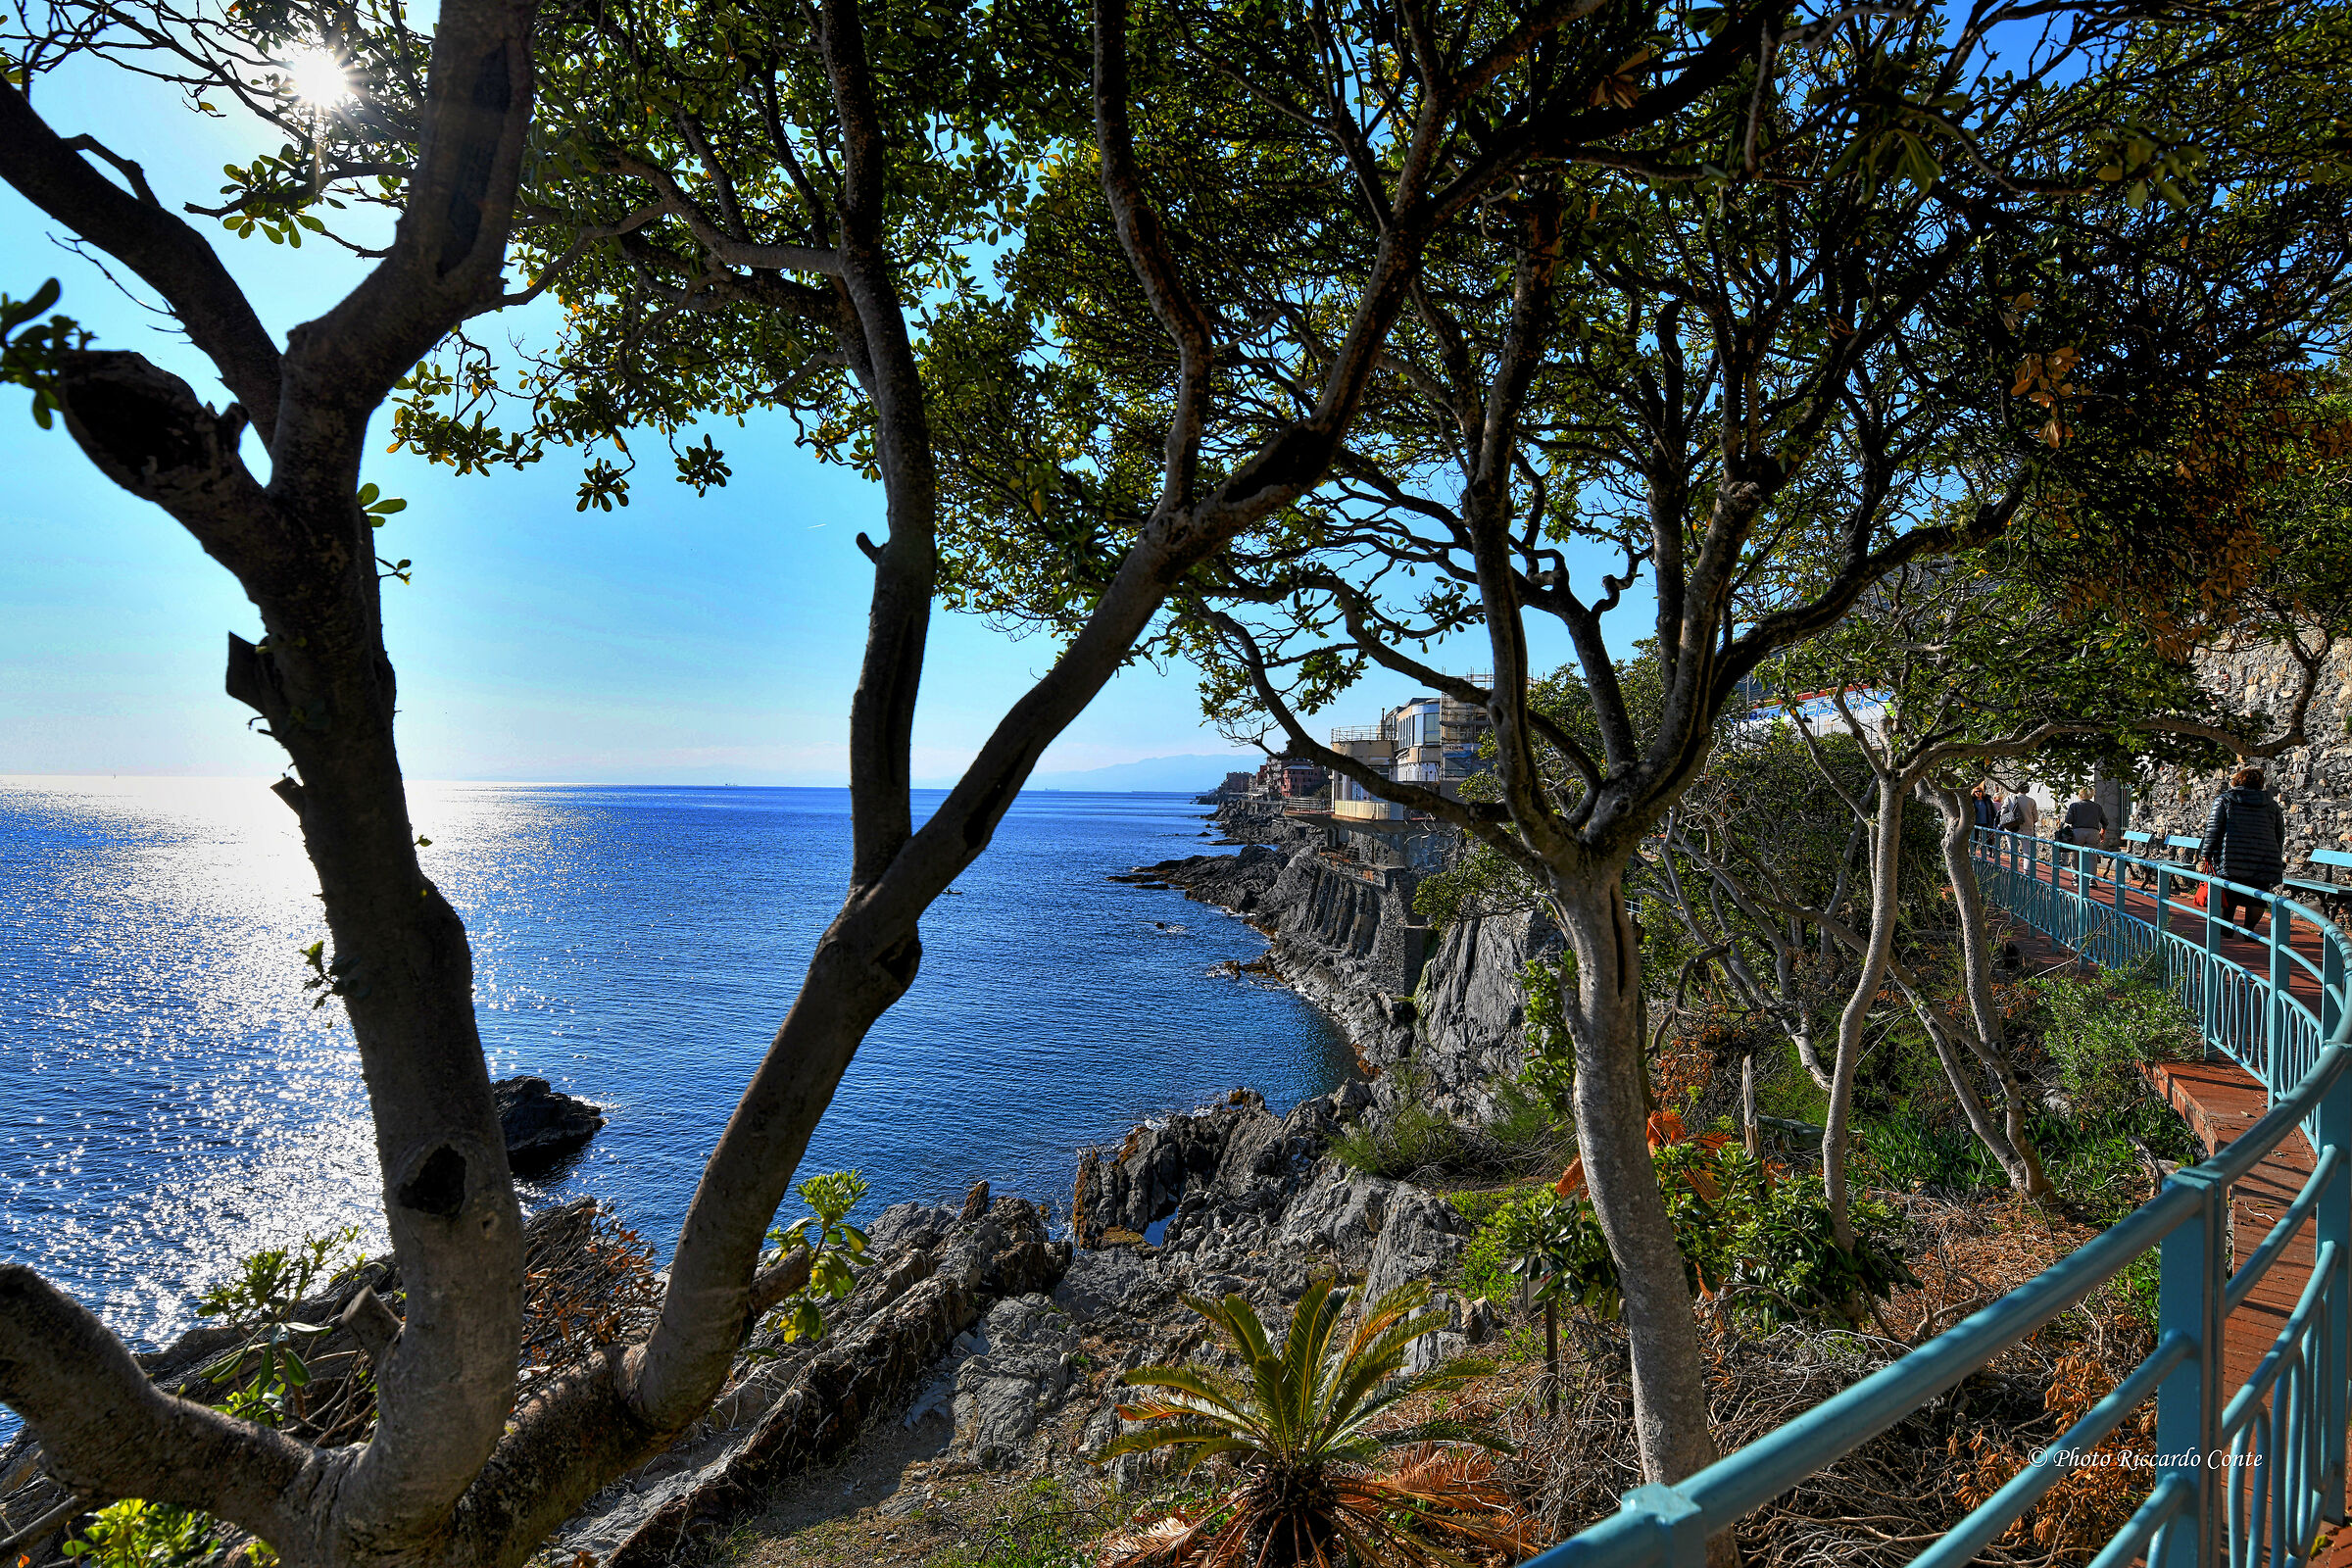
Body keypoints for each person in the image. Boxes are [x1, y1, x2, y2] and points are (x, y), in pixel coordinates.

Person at [2200, 765, 2287, 936]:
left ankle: (2225, 930)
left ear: (2237, 781)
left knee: (2229, 893)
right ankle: (2249, 931)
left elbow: (2213, 829)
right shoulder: (2271, 805)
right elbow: (2279, 833)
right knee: (2257, 896)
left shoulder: (2225, 800)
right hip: (2263, 859)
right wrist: (2275, 855)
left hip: (2231, 857)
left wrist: (2206, 853)